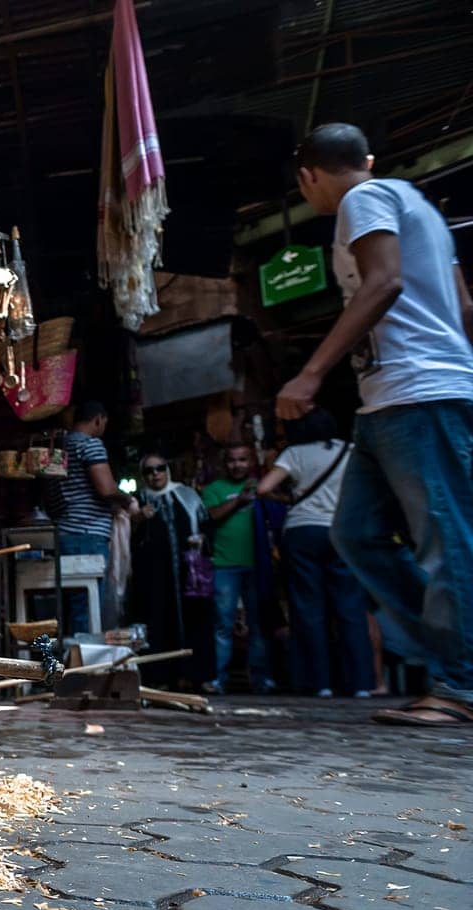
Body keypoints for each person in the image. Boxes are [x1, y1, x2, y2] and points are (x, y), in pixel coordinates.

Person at [278, 122, 473, 725]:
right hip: (389, 401)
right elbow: (464, 306)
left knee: (445, 538)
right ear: (364, 155)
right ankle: (456, 653)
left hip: (419, 394)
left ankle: (462, 684)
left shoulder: (363, 200)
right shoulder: (423, 209)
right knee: (356, 533)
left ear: (308, 175)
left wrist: (310, 374)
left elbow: (383, 282)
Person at [257, 409, 373, 697]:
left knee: (309, 607)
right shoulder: (350, 451)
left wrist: (287, 498)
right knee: (350, 607)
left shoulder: (294, 453)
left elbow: (263, 488)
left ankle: (318, 682)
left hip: (303, 531)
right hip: (341, 530)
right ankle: (359, 684)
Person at [44, 400, 137, 634]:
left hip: (62, 533)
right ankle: (83, 666)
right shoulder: (91, 444)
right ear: (98, 420)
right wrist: (128, 500)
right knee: (87, 605)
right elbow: (106, 488)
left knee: (70, 606)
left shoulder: (58, 448)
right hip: (87, 535)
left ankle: (69, 663)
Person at [129, 453, 213, 689]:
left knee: (194, 621)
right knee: (158, 622)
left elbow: (205, 524)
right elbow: (131, 539)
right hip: (155, 577)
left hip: (189, 573)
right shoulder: (140, 500)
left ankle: (196, 676)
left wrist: (201, 541)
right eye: (149, 471)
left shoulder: (187, 495)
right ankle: (161, 678)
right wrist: (138, 519)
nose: (155, 474)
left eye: (160, 468)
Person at [200, 444, 279, 694]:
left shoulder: (263, 487)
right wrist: (239, 501)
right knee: (223, 624)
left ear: (251, 461)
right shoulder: (215, 489)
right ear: (226, 463)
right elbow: (209, 516)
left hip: (257, 565)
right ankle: (219, 679)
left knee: (258, 624)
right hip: (224, 565)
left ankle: (261, 678)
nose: (238, 465)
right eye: (233, 460)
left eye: (243, 460)